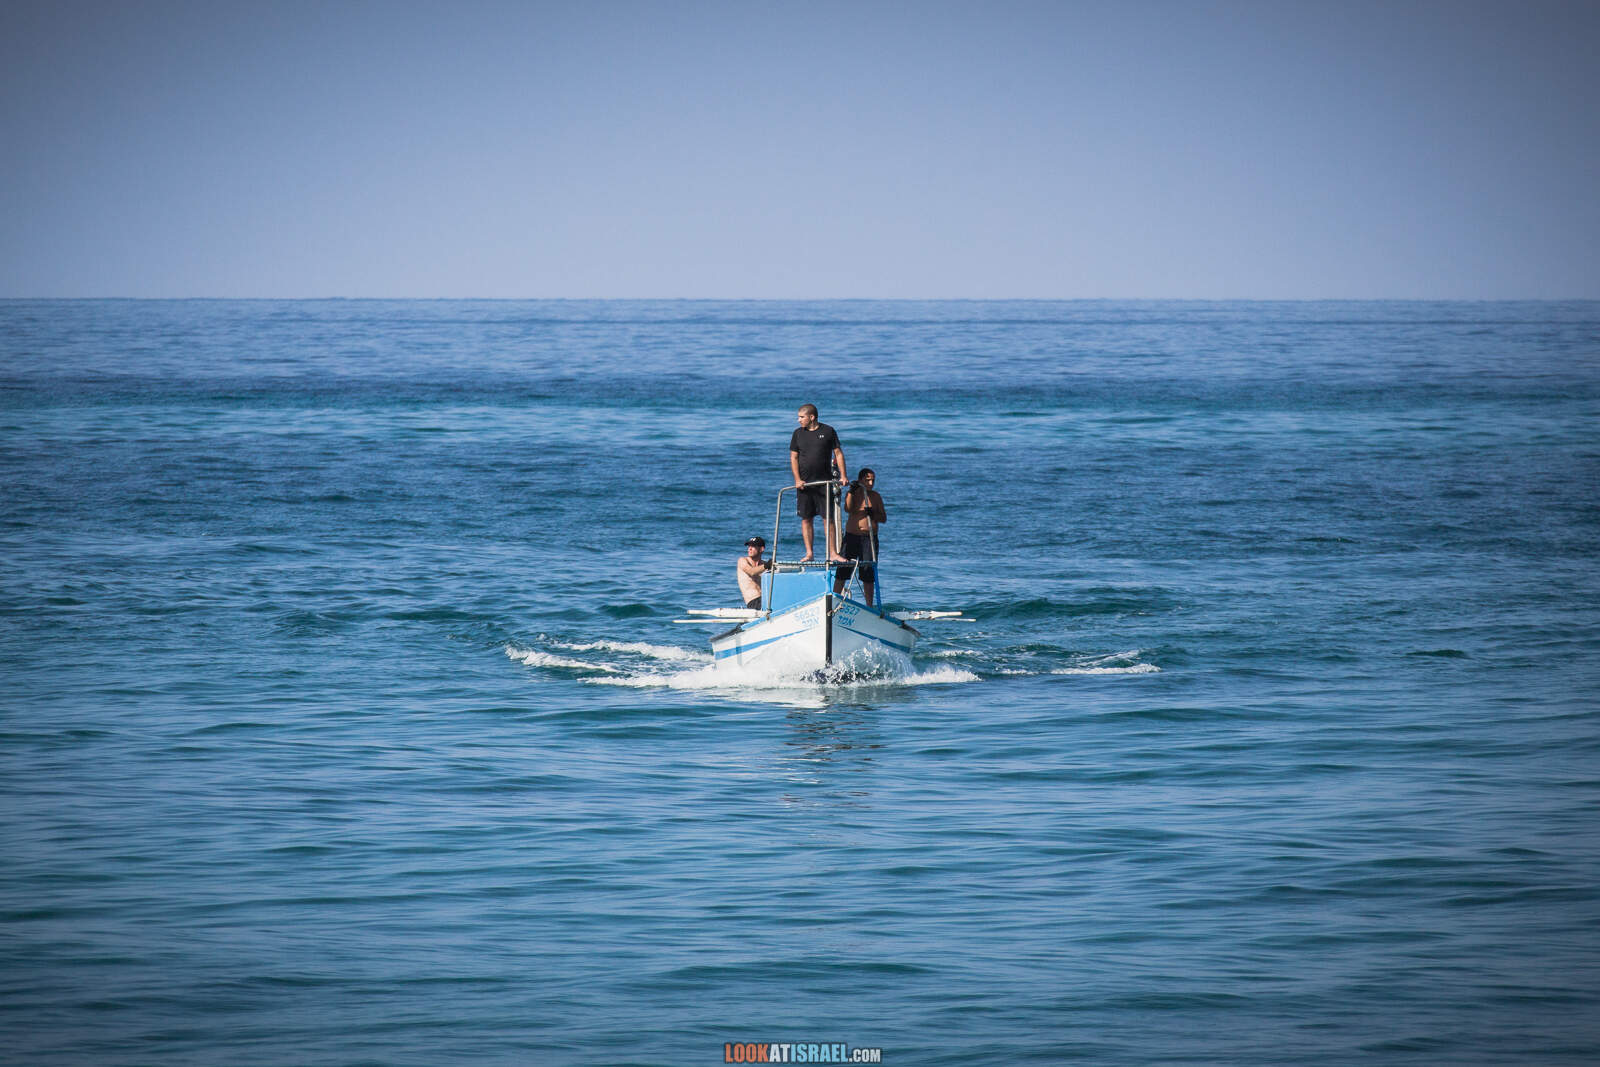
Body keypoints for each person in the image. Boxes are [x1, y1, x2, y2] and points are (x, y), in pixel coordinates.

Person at [789, 403, 847, 563]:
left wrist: (843, 475)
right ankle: (809, 553)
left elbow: (838, 453)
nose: (798, 420)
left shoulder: (828, 431)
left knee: (828, 518)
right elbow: (793, 457)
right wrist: (797, 479)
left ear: (811, 417)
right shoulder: (797, 434)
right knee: (806, 518)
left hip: (825, 482)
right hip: (804, 484)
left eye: (801, 417)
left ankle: (833, 553)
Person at [833, 468, 886, 605]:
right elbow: (848, 509)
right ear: (861, 479)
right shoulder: (854, 493)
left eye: (873, 480)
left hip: (869, 538)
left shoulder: (875, 496)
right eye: (868, 480)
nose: (871, 483)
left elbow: (883, 518)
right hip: (852, 537)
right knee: (843, 570)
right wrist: (851, 491)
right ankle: (834, 599)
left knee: (868, 573)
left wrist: (873, 514)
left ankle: (869, 604)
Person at [736, 536, 772, 610]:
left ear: (761, 549)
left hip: (767, 600)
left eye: (753, 546)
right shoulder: (742, 561)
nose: (749, 548)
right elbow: (751, 572)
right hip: (753, 602)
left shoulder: (765, 565)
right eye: (749, 546)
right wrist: (767, 565)